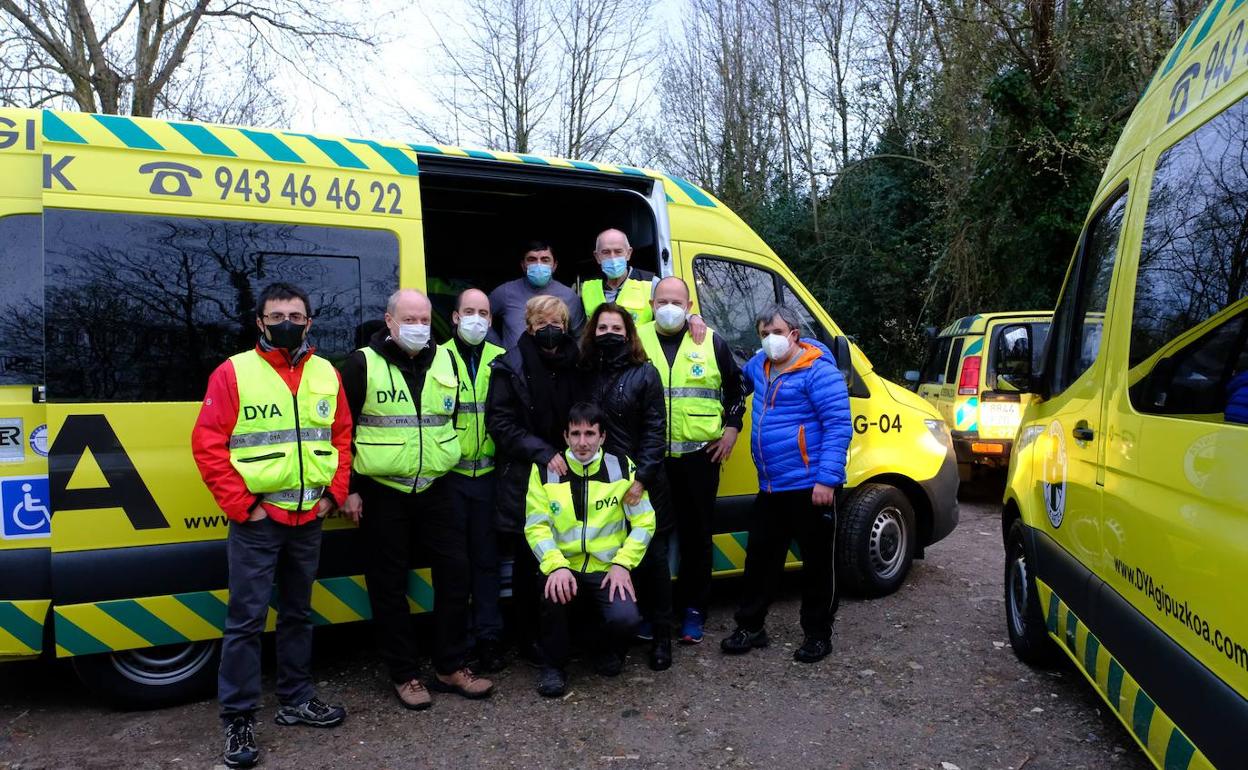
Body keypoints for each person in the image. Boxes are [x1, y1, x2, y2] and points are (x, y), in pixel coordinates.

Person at [191, 282, 352, 769]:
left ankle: (296, 698)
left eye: (296, 315)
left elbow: (342, 436)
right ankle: (238, 719)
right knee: (245, 620)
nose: (287, 322)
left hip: (309, 518)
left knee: (299, 613)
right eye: (277, 315)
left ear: (309, 320)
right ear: (259, 322)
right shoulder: (233, 372)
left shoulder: (326, 372)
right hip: (259, 522)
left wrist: (334, 496)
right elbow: (208, 445)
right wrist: (244, 506)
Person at [340, 289, 494, 711]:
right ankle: (405, 674)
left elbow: (454, 417)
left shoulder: (446, 359)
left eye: (425, 320)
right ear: (389, 321)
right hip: (383, 489)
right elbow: (341, 430)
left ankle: (450, 666)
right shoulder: (361, 364)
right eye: (409, 319)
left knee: (455, 574)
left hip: (438, 486)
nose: (418, 327)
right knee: (389, 585)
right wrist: (348, 487)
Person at [720, 303, 852, 664]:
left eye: (776, 333)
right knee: (760, 560)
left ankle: (817, 634)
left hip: (812, 487)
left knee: (818, 565)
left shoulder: (818, 372)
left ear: (794, 334)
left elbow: (839, 427)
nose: (770, 340)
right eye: (763, 334)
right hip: (772, 487)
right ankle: (751, 626)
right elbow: (732, 380)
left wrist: (826, 480)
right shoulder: (759, 367)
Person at [636, 277, 747, 644]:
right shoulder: (636, 339)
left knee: (697, 538)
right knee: (648, 537)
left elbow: (737, 389)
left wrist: (732, 428)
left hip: (699, 459)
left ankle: (694, 611)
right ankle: (652, 614)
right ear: (652, 305)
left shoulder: (711, 339)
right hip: (650, 461)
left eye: (676, 301)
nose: (669, 307)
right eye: (662, 300)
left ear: (688, 306)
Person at [524, 402, 656, 697]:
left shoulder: (622, 468)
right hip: (564, 566)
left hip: (607, 569)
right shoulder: (546, 471)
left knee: (626, 619)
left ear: (602, 437)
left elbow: (645, 522)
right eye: (575, 434)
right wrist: (555, 565)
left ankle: (603, 650)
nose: (582, 442)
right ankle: (553, 665)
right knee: (551, 592)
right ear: (565, 436)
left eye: (590, 434)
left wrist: (623, 564)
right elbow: (536, 527)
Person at [485, 295, 587, 664]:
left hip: (575, 471)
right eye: (541, 323)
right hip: (528, 474)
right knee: (531, 561)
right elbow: (500, 423)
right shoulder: (509, 365)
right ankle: (529, 638)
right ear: (528, 326)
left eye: (556, 322)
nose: (549, 329)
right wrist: (543, 453)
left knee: (572, 550)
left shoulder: (579, 360)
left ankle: (570, 631)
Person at [580, 302, 674, 671]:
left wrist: (641, 479)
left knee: (653, 565)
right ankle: (616, 640)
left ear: (629, 333)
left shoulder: (645, 373)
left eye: (616, 328)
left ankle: (662, 638)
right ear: (592, 333)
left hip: (642, 483)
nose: (608, 334)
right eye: (601, 328)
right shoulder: (584, 372)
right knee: (611, 562)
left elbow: (655, 431)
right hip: (602, 485)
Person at [444, 288, 507, 672]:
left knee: (487, 563)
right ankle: (457, 643)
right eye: (469, 311)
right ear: (454, 317)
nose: (476, 318)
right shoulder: (436, 359)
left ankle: (489, 639)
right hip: (448, 479)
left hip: (489, 477)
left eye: (483, 312)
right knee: (455, 566)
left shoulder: (502, 359)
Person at [489, 240, 586, 348]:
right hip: (514, 363)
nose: (539, 264)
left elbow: (580, 336)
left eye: (545, 260)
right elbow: (481, 318)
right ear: (523, 265)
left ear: (554, 265)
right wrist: (498, 349)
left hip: (555, 363)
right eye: (532, 260)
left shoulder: (569, 296)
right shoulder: (504, 292)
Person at [581, 229, 657, 325]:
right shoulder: (587, 288)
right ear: (597, 257)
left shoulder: (652, 284)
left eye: (618, 251)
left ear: (628, 253)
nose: (613, 258)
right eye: (606, 252)